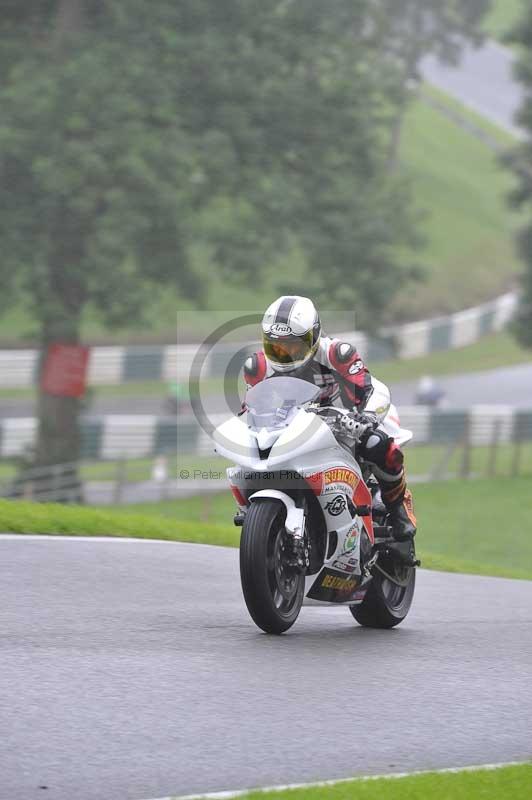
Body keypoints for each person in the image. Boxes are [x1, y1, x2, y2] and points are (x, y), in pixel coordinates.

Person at [243, 295, 416, 542]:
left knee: (377, 444)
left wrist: (366, 418)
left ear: (313, 337)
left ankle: (398, 508)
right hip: (293, 425)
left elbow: (369, 390)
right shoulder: (257, 366)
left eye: (293, 346)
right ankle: (251, 507)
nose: (285, 354)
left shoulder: (337, 354)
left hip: (345, 420)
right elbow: (251, 408)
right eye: (276, 347)